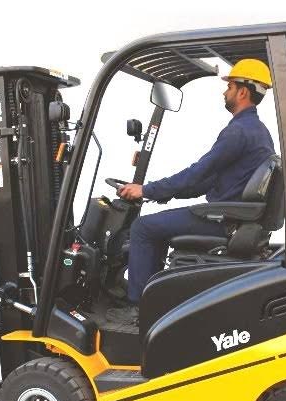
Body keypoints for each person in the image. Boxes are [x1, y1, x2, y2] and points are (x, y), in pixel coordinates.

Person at [106, 59, 275, 325]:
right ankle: (154, 299)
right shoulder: (258, 132)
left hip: (222, 221)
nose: (225, 92)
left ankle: (137, 308)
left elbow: (197, 172)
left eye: (230, 87)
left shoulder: (238, 132)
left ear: (243, 92)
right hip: (233, 217)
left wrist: (147, 189)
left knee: (142, 228)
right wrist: (159, 193)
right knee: (156, 228)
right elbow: (212, 180)